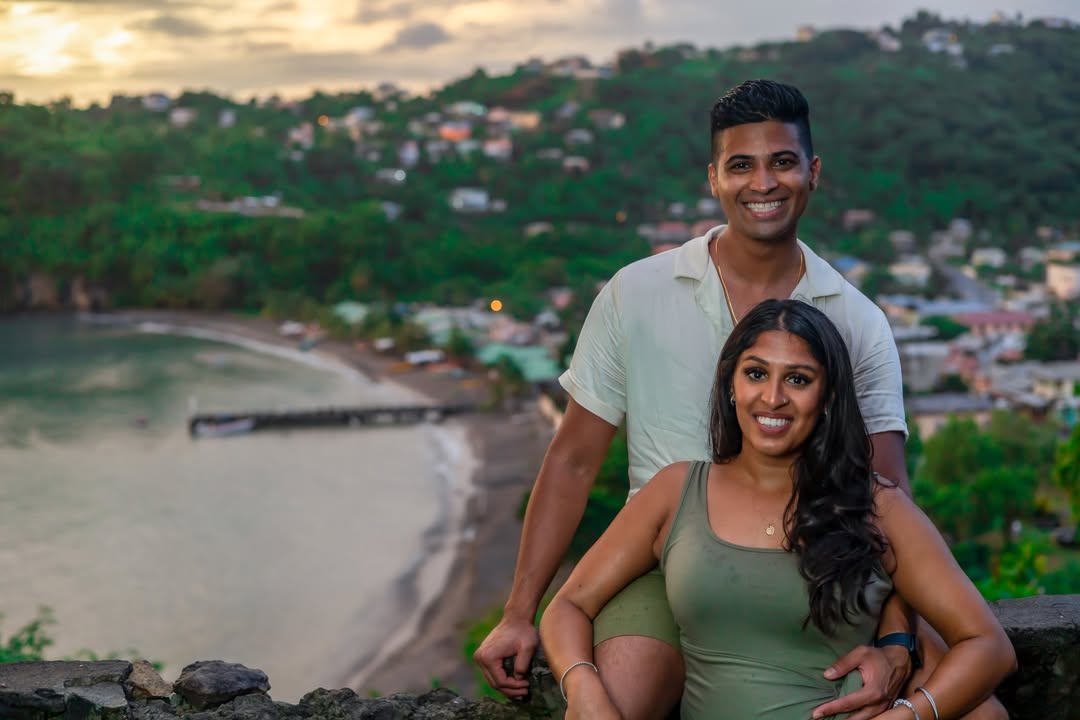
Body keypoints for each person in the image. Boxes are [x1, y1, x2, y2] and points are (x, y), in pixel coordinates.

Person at [475, 79, 995, 719]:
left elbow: (888, 498)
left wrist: (894, 639)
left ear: (813, 172)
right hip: (663, 560)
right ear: (714, 179)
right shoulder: (636, 293)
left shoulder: (857, 320)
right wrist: (519, 612)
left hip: (817, 564)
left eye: (783, 161)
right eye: (741, 165)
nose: (763, 183)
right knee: (619, 697)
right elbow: (574, 460)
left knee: (976, 699)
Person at [539, 299, 1016, 720]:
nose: (773, 397)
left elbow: (990, 646)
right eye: (755, 373)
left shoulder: (878, 506)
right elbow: (568, 606)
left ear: (828, 397)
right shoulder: (677, 491)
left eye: (798, 379)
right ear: (730, 384)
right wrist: (583, 688)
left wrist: (907, 716)